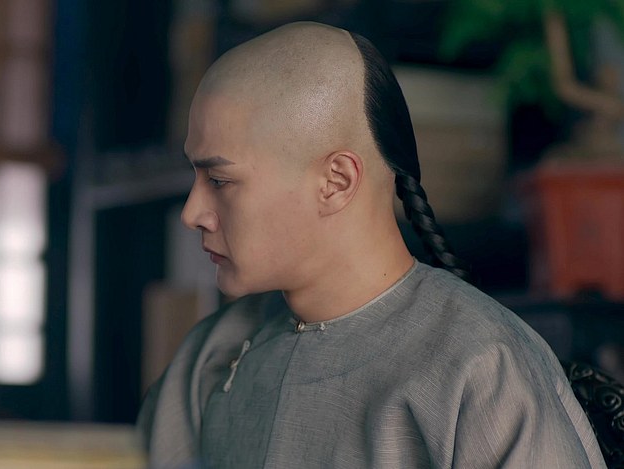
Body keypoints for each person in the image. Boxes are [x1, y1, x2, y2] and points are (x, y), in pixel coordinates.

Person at [137, 21, 606, 468]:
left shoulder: (481, 364)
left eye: (219, 180)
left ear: (336, 181)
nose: (191, 213)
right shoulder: (212, 350)